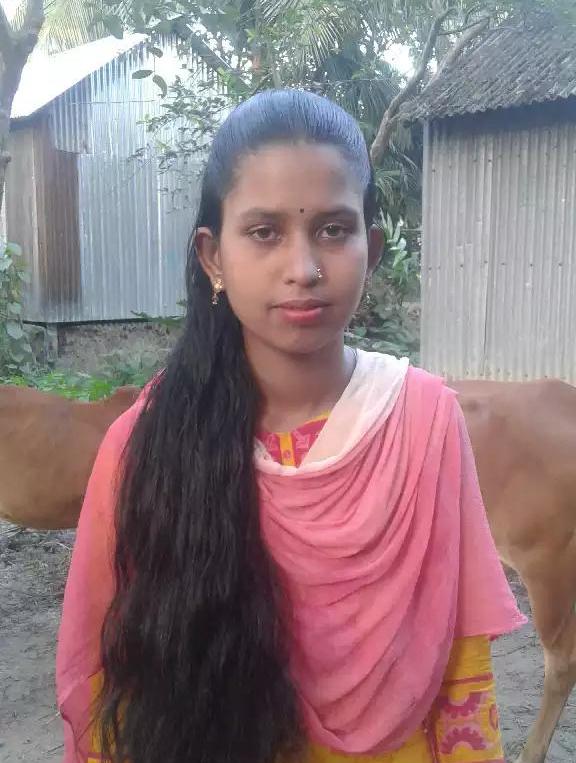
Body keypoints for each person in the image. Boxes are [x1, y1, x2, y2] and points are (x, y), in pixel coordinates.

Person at [57, 89, 525, 763]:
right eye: (265, 232)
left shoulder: (423, 422)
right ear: (213, 257)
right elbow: (112, 681)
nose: (304, 269)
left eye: (333, 230)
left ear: (372, 247)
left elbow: (463, 673)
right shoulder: (145, 445)